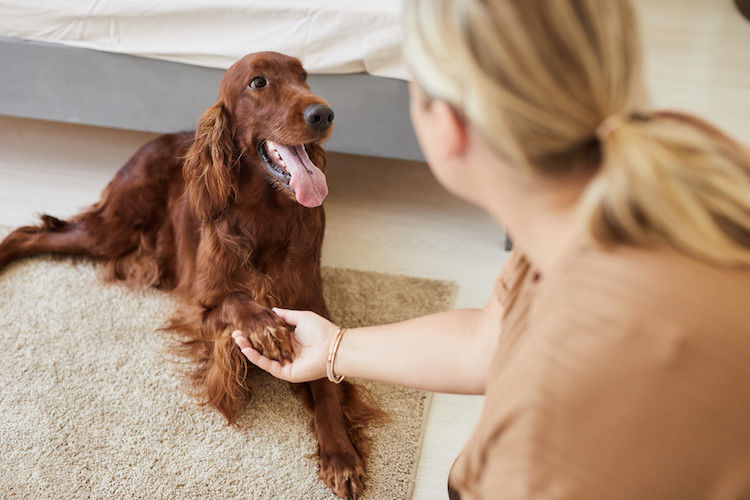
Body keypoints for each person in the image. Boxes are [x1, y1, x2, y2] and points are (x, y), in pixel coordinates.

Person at [233, 0, 750, 497]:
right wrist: (336, 348)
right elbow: (487, 342)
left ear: (449, 126)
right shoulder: (678, 162)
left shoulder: (545, 443)